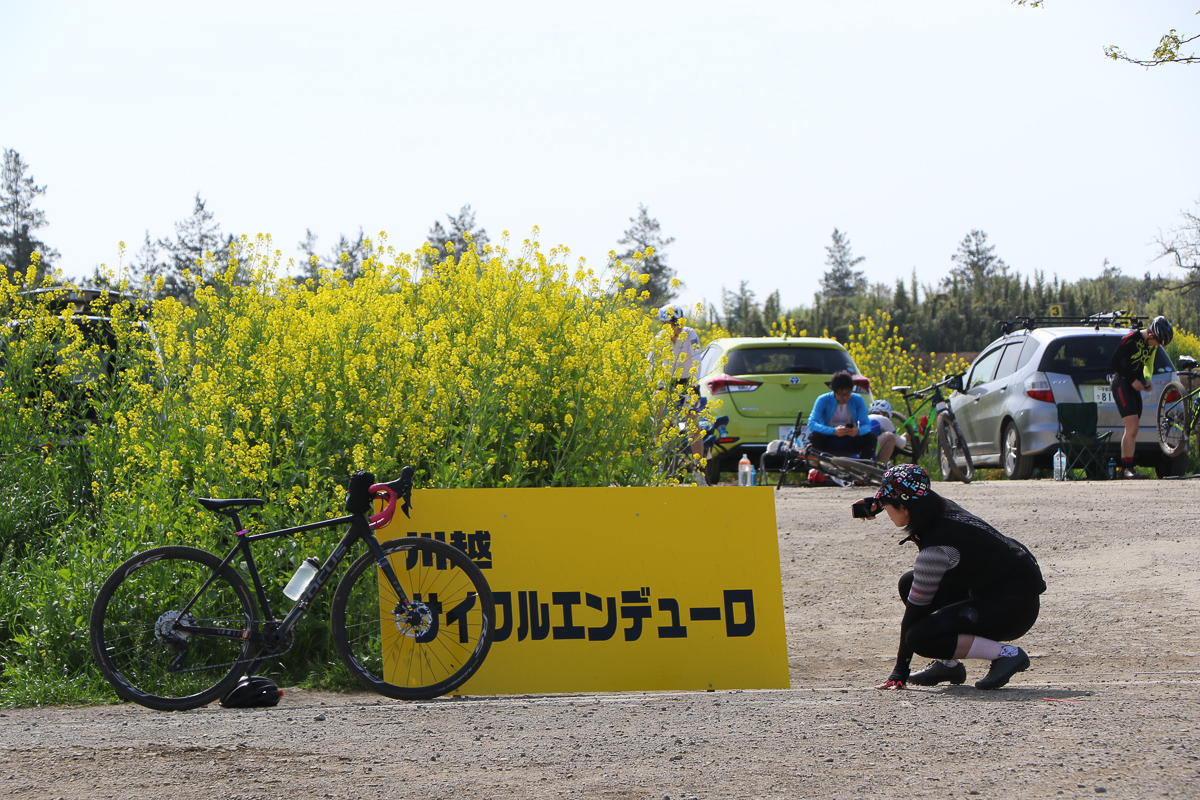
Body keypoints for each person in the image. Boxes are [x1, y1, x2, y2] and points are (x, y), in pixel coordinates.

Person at [854, 464, 1046, 691]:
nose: (883, 510)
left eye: (885, 505)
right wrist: (878, 502)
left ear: (904, 508)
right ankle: (949, 664)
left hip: (1013, 611)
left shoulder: (936, 551)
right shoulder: (938, 506)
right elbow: (908, 499)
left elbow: (913, 615)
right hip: (1005, 591)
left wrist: (900, 671)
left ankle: (1007, 655)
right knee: (909, 582)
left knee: (918, 637)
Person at [1109, 315, 1172, 478]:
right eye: (1158, 342)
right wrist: (1132, 380)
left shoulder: (1153, 344)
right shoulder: (1131, 339)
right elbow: (1114, 363)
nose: (1158, 345)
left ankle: (1126, 468)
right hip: (1121, 383)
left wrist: (1148, 379)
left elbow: (1149, 364)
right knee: (1133, 427)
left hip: (1134, 385)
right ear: (1151, 334)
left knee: (1132, 429)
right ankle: (1127, 468)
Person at [653, 305, 705, 480]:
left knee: (692, 424)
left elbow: (696, 359)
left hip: (688, 380)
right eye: (671, 324)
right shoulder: (660, 337)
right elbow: (651, 361)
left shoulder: (690, 334)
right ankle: (661, 466)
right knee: (659, 419)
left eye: (678, 323)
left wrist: (693, 383)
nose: (675, 328)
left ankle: (700, 470)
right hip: (667, 381)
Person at [807, 370, 877, 460]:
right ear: (834, 392)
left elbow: (867, 425)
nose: (844, 398)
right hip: (830, 438)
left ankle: (864, 466)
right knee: (815, 436)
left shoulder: (858, 399)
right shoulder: (823, 400)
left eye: (847, 394)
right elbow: (811, 424)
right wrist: (833, 431)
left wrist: (858, 431)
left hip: (851, 438)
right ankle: (820, 465)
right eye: (840, 394)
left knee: (871, 437)